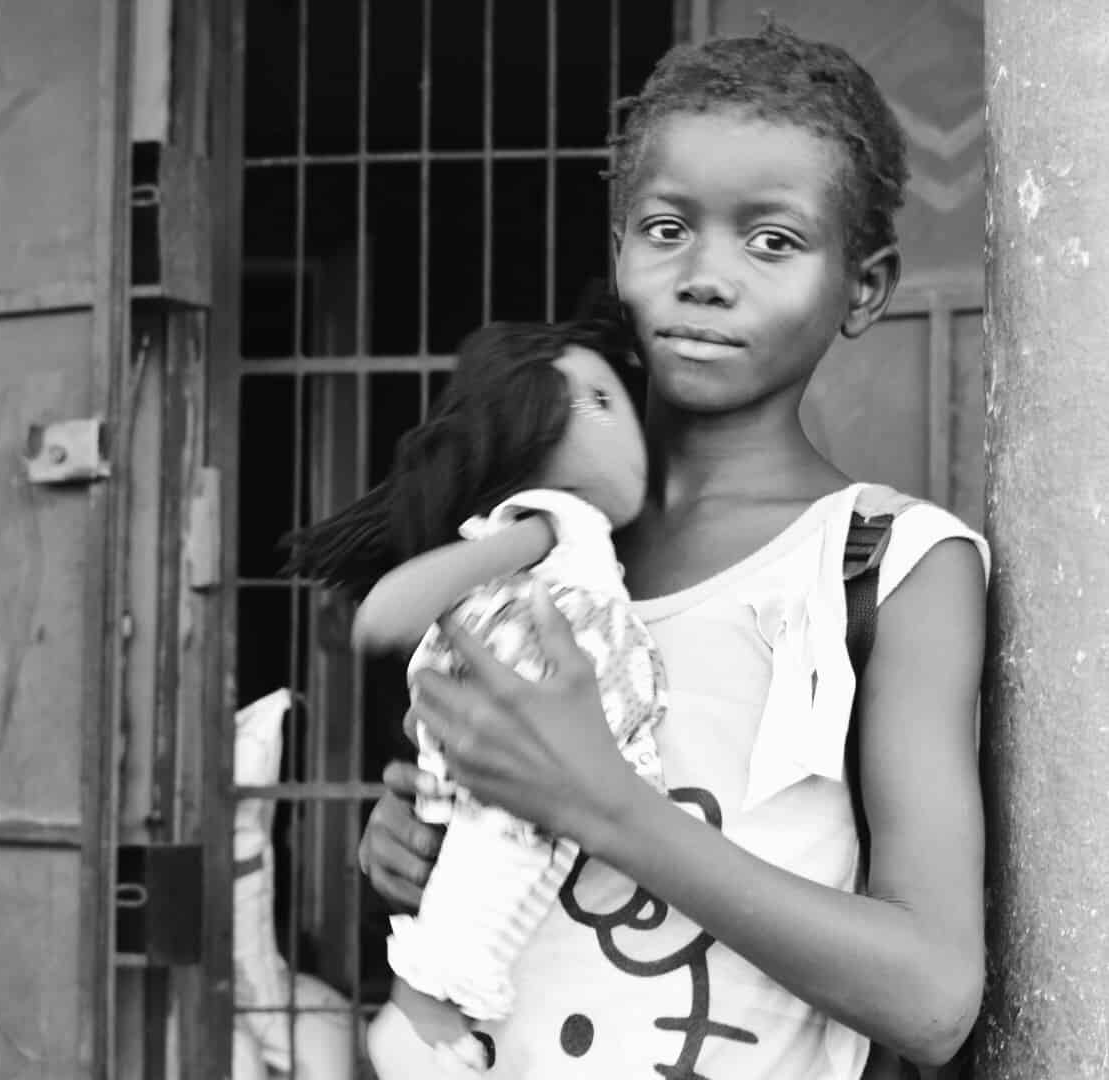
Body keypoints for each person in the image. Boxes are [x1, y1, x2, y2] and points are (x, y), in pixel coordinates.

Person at [355, 23, 990, 1079]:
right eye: (665, 229)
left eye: (773, 241)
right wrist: (411, 845)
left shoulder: (890, 568)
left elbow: (932, 999)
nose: (705, 277)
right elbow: (483, 837)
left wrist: (602, 802)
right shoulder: (531, 546)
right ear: (618, 252)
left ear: (864, 287)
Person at [284, 315, 669, 1077]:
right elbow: (404, 604)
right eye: (593, 402)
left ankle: (439, 1016)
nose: (618, 422)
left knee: (516, 873)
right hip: (524, 715)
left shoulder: (602, 553)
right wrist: (393, 609)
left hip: (561, 730)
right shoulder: (552, 522)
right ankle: (422, 1014)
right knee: (492, 866)